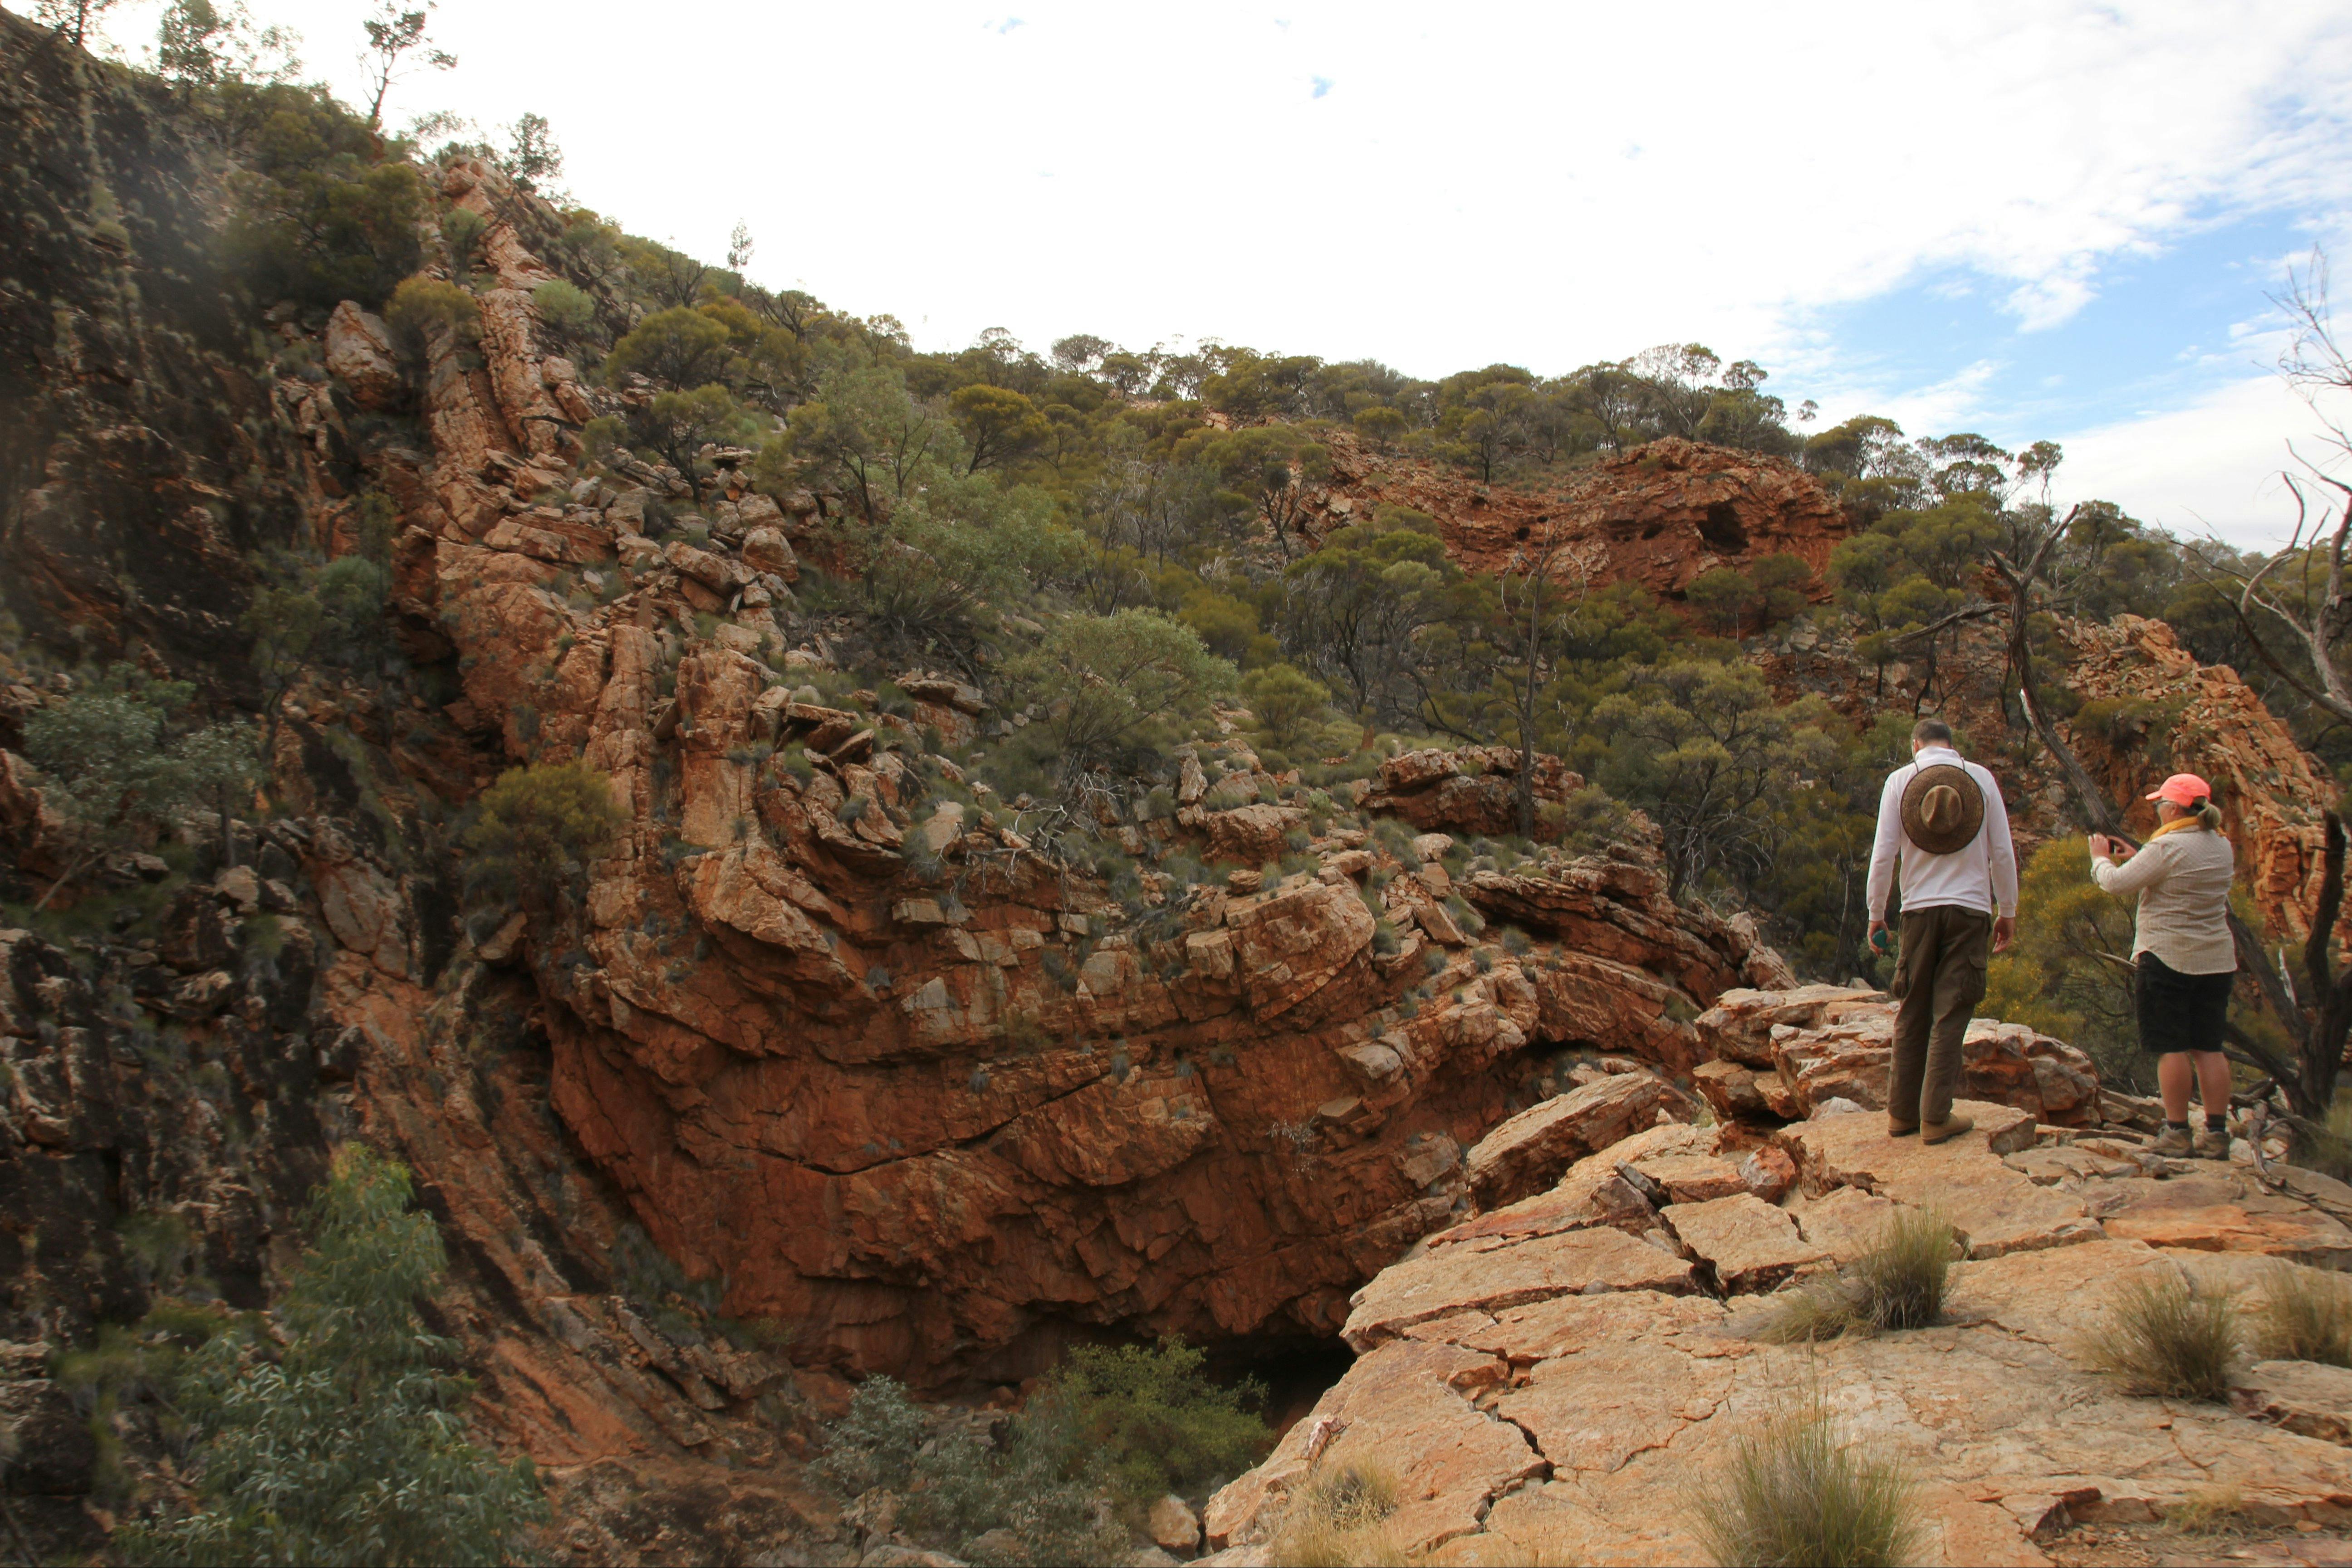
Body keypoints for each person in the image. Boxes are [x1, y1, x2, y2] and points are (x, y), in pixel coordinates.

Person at [1866, 718, 2019, 1143]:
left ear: (1916, 744)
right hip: (1970, 911)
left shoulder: (1899, 781)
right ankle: (1936, 1116)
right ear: (1952, 745)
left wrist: (1876, 914)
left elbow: (1883, 855)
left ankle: (1901, 1115)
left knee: (1912, 1008)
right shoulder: (1982, 779)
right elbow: (2002, 853)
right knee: (1951, 1011)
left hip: (1917, 911)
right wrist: (2008, 909)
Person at [2089, 773, 2239, 1158]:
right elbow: (2178, 872)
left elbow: (2116, 884)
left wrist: (2100, 860)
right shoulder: (2221, 845)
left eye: (2159, 804)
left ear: (2173, 808)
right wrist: (2141, 857)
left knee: (2171, 1047)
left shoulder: (2167, 846)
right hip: (2216, 959)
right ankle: (2218, 1134)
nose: (2156, 810)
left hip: (2167, 956)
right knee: (2209, 1046)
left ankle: (2176, 1131)